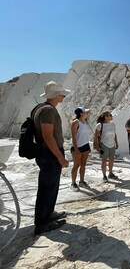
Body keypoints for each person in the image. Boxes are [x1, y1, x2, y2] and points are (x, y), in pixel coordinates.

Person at [33, 81, 70, 235]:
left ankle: (48, 214)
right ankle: (42, 223)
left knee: (51, 187)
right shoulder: (48, 110)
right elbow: (48, 136)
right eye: (62, 93)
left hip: (47, 153)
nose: (64, 95)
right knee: (47, 188)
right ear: (55, 95)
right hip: (50, 154)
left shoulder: (41, 108)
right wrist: (60, 157)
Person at [70, 107, 91, 191]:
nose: (87, 113)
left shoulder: (84, 122)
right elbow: (74, 137)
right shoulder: (76, 122)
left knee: (83, 164)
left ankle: (81, 181)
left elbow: (85, 136)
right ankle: (73, 183)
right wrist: (76, 149)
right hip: (77, 147)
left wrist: (88, 146)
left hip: (85, 146)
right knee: (76, 165)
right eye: (85, 112)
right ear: (81, 113)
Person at [94, 111, 119, 182]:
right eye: (107, 116)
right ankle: (104, 175)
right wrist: (97, 147)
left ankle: (110, 173)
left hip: (112, 144)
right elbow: (95, 137)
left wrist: (116, 142)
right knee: (104, 160)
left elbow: (115, 134)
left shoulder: (113, 124)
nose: (108, 117)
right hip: (104, 144)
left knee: (111, 159)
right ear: (104, 117)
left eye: (109, 116)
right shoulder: (99, 125)